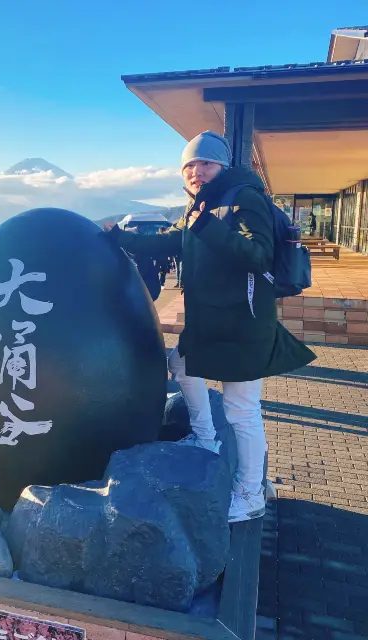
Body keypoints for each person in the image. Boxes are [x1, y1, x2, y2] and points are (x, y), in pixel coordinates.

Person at [107, 131, 315, 523]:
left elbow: (260, 254)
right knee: (181, 365)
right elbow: (171, 242)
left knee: (242, 411)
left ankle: (251, 493)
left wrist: (209, 228)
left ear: (221, 165)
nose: (196, 172)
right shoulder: (199, 207)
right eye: (189, 166)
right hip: (210, 322)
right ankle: (206, 438)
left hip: (243, 323)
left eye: (204, 163)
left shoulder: (244, 197)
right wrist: (118, 238)